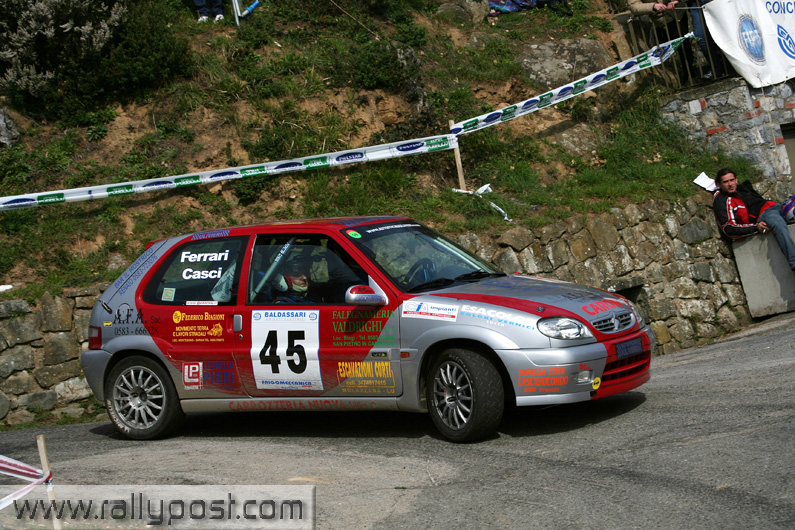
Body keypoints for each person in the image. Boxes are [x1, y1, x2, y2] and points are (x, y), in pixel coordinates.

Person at [712, 168, 795, 271]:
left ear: (736, 180)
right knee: (777, 223)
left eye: (732, 180)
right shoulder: (721, 199)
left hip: (778, 206)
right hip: (766, 214)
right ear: (718, 184)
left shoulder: (742, 189)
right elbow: (729, 228)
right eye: (725, 182)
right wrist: (756, 227)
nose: (730, 184)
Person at [628, 0, 696, 83]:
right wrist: (653, 6)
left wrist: (675, 1)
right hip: (659, 20)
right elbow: (634, 6)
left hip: (678, 14)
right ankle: (679, 78)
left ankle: (690, 75)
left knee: (684, 46)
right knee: (667, 50)